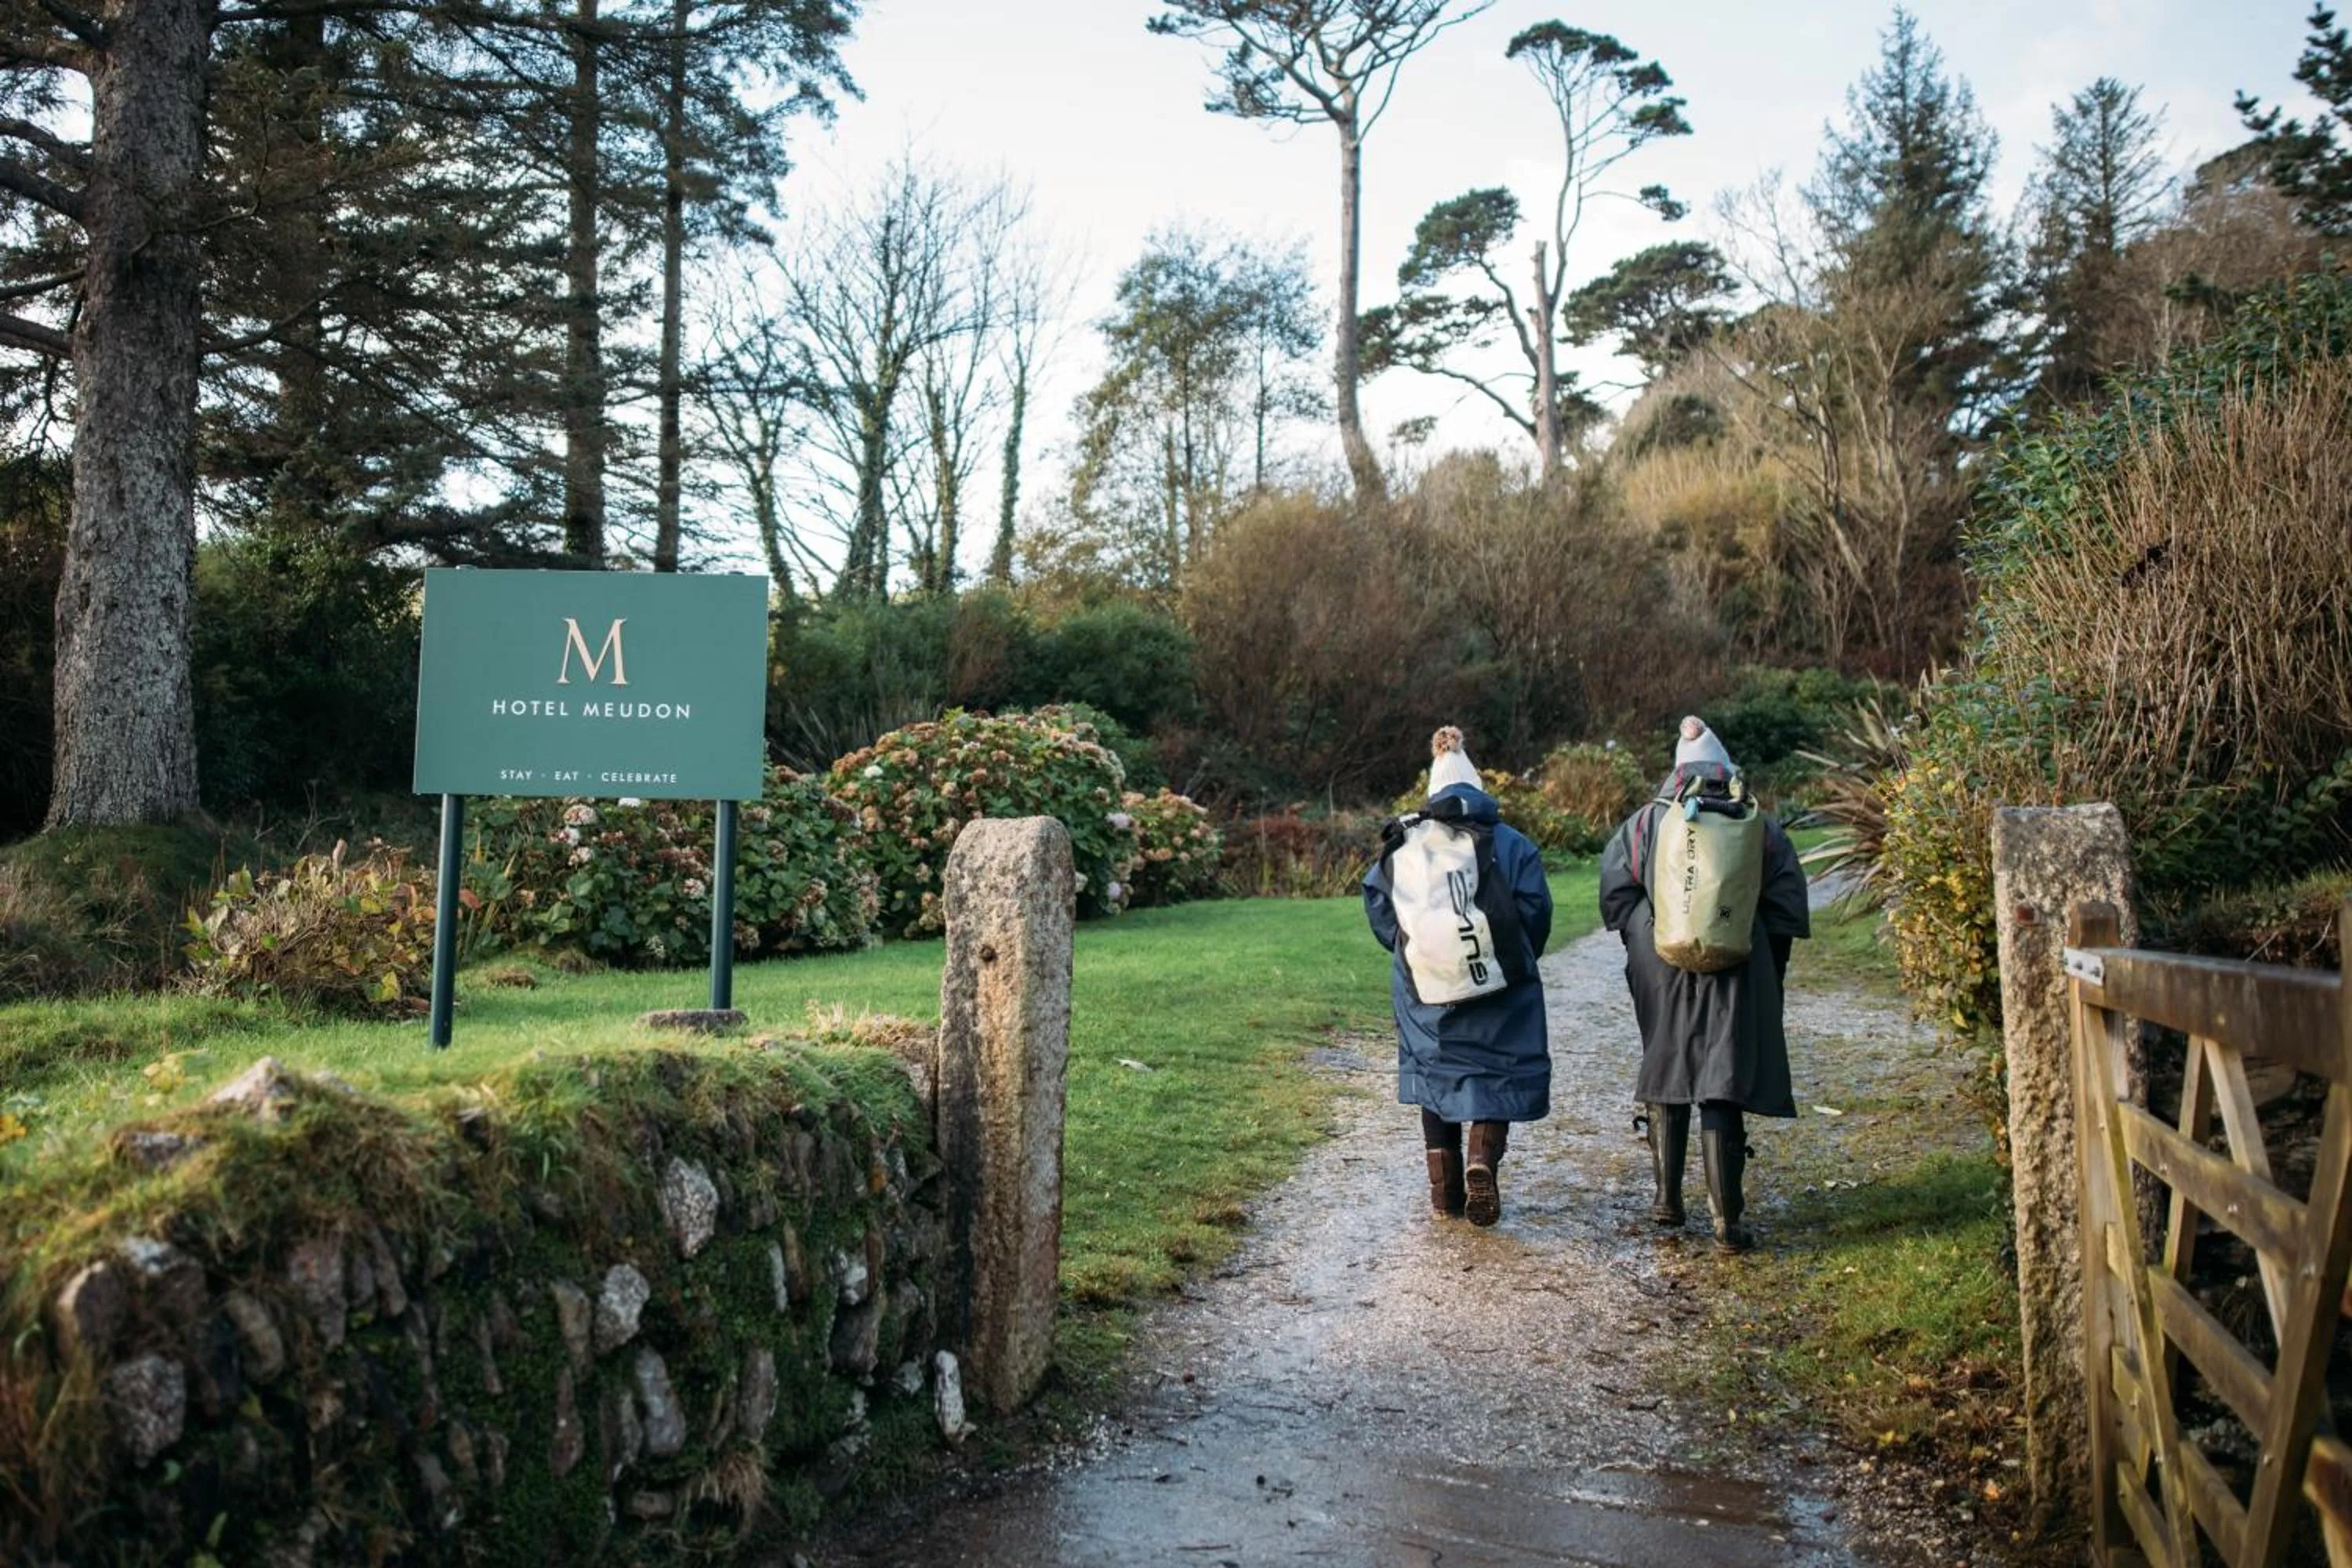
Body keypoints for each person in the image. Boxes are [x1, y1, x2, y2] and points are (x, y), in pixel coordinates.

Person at [1599, 717, 1809, 1252]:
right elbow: (1786, 903)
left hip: (1661, 960)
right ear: (1724, 767)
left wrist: (1645, 940)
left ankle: (1667, 1200)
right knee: (1723, 1074)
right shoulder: (1757, 823)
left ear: (1677, 771)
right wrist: (1765, 959)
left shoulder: (1647, 822)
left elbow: (1615, 894)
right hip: (1740, 959)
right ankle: (1727, 1220)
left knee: (1667, 1062)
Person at [1363, 727, 1553, 1227]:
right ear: (1478, 788)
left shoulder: (1407, 843)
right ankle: (1481, 1161)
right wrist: (1514, 958)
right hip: (1500, 985)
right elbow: (1535, 911)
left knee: (1434, 1073)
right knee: (1500, 1067)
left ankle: (1445, 1192)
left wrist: (1416, 951)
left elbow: (1380, 908)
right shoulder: (1513, 844)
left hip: (1429, 990)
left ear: (1433, 792)